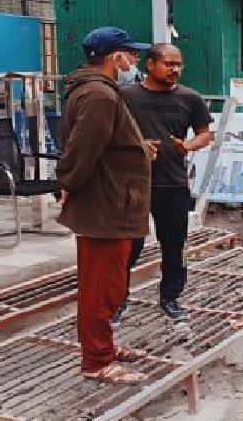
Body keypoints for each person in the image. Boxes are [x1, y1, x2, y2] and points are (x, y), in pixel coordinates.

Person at [55, 26, 153, 385]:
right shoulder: (100, 96)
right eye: (132, 55)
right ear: (116, 57)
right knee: (102, 286)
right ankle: (96, 360)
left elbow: (103, 144)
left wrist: (137, 149)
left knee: (108, 284)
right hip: (106, 205)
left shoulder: (98, 92)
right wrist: (66, 183)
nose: (135, 61)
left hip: (112, 200)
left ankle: (104, 346)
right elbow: (83, 149)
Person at [115, 44, 213, 324]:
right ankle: (118, 299)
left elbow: (205, 134)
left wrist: (189, 146)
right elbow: (110, 131)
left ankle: (170, 298)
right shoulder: (125, 96)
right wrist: (136, 145)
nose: (174, 70)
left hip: (172, 183)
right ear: (149, 64)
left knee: (173, 245)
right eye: (168, 64)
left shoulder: (190, 98)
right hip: (133, 183)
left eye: (178, 64)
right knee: (128, 246)